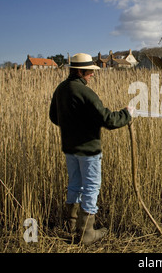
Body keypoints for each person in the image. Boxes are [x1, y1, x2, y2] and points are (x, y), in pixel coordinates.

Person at [49, 53, 134, 245]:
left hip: (70, 146)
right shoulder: (85, 92)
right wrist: (126, 114)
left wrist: (73, 125)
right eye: (90, 72)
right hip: (88, 149)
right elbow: (109, 120)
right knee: (91, 187)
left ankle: (71, 225)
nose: (92, 75)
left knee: (75, 184)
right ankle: (87, 232)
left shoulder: (61, 89)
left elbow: (54, 117)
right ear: (80, 71)